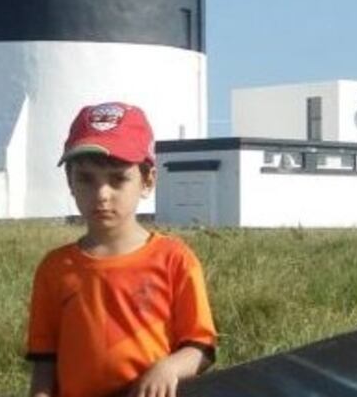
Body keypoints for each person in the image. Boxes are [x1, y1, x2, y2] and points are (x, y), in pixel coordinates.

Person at [26, 102, 217, 397]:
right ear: (70, 182)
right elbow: (44, 363)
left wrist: (168, 368)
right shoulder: (54, 268)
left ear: (147, 180)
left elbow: (200, 348)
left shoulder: (175, 260)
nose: (102, 193)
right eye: (86, 178)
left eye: (118, 179)